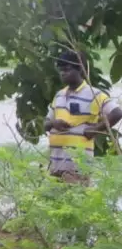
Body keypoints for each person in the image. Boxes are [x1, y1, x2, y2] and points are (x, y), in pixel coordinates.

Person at [45, 49, 114, 181]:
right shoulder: (59, 95)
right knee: (55, 200)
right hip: (56, 164)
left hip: (78, 166)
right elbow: (46, 123)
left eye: (67, 69)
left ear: (80, 70)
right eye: (61, 70)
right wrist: (54, 123)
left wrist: (95, 129)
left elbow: (116, 113)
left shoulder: (94, 94)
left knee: (76, 198)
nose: (63, 73)